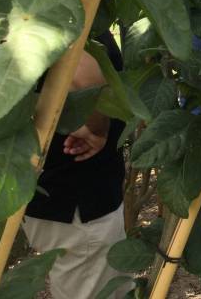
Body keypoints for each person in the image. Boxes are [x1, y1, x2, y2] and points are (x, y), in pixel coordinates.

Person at [23, 33, 131, 299]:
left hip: (45, 189)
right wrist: (98, 128)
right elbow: (82, 75)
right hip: (79, 202)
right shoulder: (69, 5)